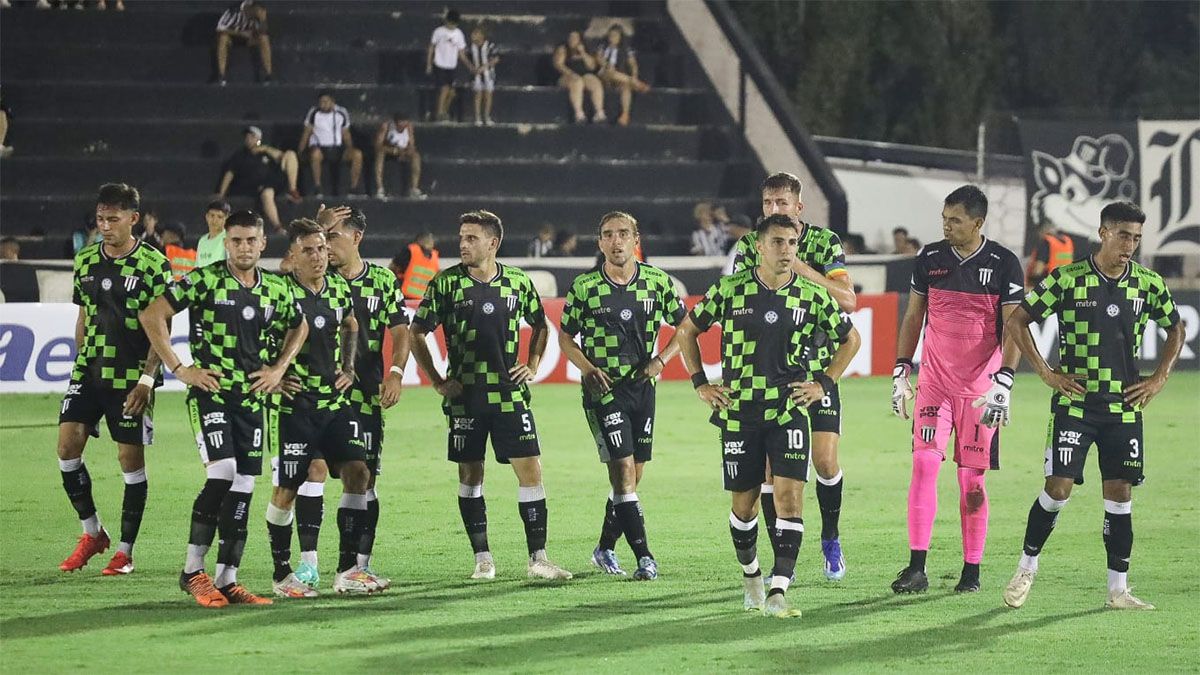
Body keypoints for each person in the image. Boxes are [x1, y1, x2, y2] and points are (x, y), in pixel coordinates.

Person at [672, 214, 861, 618]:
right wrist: (700, 383)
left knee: (790, 499)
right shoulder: (730, 290)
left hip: (788, 411)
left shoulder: (812, 296)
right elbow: (687, 330)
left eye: (792, 243)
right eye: (778, 242)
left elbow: (851, 339)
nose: (787, 250)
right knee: (745, 506)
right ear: (758, 246)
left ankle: (779, 589)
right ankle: (752, 575)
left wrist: (824, 384)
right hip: (739, 414)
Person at [1001, 201, 1185, 611]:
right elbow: (1016, 320)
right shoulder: (1067, 279)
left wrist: (1159, 378)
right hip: (1076, 405)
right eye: (1123, 235)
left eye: (1136, 238)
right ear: (1103, 233)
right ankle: (1026, 566)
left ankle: (1117, 589)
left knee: (1120, 496)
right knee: (1058, 488)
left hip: (1123, 408)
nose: (1130, 245)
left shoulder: (1148, 284)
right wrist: (1047, 373)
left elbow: (1176, 327)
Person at [139, 209, 309, 608]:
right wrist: (181, 368)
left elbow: (299, 326)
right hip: (212, 392)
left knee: (245, 486)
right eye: (236, 241)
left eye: (251, 240)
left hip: (251, 398)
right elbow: (152, 314)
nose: (244, 247)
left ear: (263, 243)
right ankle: (192, 571)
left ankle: (228, 579)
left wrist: (278, 369)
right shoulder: (203, 279)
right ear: (225, 243)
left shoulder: (278, 289)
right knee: (223, 474)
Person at [409, 210, 572, 581]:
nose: (462, 244)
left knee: (531, 470)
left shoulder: (516, 281)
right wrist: (436, 379)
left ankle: (538, 559)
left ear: (493, 243)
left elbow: (540, 324)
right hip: (465, 396)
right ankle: (482, 558)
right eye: (461, 237)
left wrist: (531, 362)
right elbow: (417, 332)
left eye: (471, 238)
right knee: (471, 474)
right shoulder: (446, 284)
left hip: (509, 394)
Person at [889, 185, 1025, 594]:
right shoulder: (929, 258)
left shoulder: (1004, 264)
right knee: (924, 465)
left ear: (978, 223)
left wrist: (1004, 380)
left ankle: (972, 572)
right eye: (944, 219)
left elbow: (1014, 329)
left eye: (956, 221)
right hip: (934, 384)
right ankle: (916, 568)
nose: (946, 226)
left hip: (979, 392)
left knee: (972, 482)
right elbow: (914, 317)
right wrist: (901, 369)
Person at [730, 172, 857, 581]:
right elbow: (734, 299)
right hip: (771, 376)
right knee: (772, 471)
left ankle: (831, 538)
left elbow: (847, 300)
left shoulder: (823, 243)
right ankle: (779, 560)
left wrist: (798, 265)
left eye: (783, 203)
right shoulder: (751, 246)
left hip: (818, 369)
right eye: (768, 203)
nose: (775, 210)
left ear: (798, 207)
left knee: (824, 460)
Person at [559, 211, 685, 580]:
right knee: (625, 474)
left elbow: (686, 327)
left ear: (636, 240)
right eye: (608, 235)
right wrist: (587, 368)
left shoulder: (657, 282)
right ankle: (645, 557)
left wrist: (661, 360)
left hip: (643, 390)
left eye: (623, 234)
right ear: (599, 243)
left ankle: (604, 548)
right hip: (604, 391)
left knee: (631, 479)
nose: (616, 241)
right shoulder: (585, 287)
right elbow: (566, 337)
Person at [265, 219, 386, 597]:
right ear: (292, 255)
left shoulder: (336, 287)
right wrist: (275, 374)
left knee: (358, 472)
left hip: (334, 403)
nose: (320, 256)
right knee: (292, 486)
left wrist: (348, 366)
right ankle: (288, 572)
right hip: (294, 407)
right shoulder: (278, 291)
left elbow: (351, 324)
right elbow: (252, 337)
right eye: (310, 250)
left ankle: (347, 570)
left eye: (322, 248)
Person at [55, 183, 171, 577]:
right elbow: (84, 316)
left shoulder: (154, 265)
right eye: (100, 219)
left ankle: (125, 551)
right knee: (67, 449)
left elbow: (162, 328)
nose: (105, 226)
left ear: (133, 219)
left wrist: (147, 379)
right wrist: (78, 361)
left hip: (131, 379)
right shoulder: (85, 260)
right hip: (89, 372)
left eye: (113, 219)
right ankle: (92, 533)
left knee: (129, 461)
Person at [293, 205, 411, 589]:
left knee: (363, 478)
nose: (324, 247)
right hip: (313, 396)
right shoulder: (309, 278)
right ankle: (307, 564)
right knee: (312, 470)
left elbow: (400, 330)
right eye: (321, 239)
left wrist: (395, 373)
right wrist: (318, 222)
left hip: (364, 398)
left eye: (333, 237)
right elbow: (285, 263)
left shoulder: (381, 281)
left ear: (357, 238)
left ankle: (357, 564)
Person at [217, 126, 301, 231]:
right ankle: (278, 227)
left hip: (276, 180)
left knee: (291, 154)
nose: (249, 139)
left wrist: (265, 149)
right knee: (267, 193)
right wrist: (221, 193)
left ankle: (293, 190)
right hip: (259, 186)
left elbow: (281, 156)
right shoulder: (240, 155)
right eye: (247, 137)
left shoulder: (266, 151)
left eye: (252, 137)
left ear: (258, 139)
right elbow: (229, 174)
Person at [298, 91, 364, 198]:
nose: (323, 104)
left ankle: (354, 188)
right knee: (315, 154)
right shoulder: (314, 112)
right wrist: (300, 150)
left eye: (325, 101)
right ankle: (318, 187)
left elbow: (346, 133)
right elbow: (307, 132)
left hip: (337, 148)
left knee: (357, 154)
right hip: (320, 147)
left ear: (332, 102)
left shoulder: (341, 112)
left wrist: (350, 148)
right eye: (321, 102)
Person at [595, 24, 650, 127]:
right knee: (609, 72)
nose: (612, 38)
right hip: (604, 75)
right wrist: (607, 65)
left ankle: (625, 114)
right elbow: (599, 59)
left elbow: (633, 64)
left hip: (619, 77)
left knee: (626, 87)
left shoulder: (626, 49)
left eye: (615, 35)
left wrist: (634, 75)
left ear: (620, 37)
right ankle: (637, 84)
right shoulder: (603, 47)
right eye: (610, 35)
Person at [213, 0, 272, 85]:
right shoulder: (233, 11)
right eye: (255, 12)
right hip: (233, 38)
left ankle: (269, 75)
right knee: (223, 38)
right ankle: (221, 75)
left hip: (249, 39)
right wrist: (240, 33)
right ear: (249, 9)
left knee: (264, 38)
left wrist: (263, 21)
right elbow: (219, 29)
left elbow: (264, 31)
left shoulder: (259, 15)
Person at [554, 30, 604, 124]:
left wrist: (583, 53)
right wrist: (571, 74)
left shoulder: (586, 50)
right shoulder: (563, 49)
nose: (572, 40)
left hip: (585, 75)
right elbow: (559, 65)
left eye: (575, 38)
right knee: (577, 81)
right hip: (567, 77)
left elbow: (592, 66)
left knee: (595, 82)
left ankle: (599, 113)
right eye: (570, 37)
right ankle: (579, 114)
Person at [426, 9, 467, 123]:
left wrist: (470, 66)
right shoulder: (438, 32)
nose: (452, 26)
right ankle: (439, 112)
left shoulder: (459, 34)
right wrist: (429, 64)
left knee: (452, 92)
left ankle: (444, 111)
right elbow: (431, 48)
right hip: (440, 64)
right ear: (446, 21)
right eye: (450, 23)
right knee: (444, 88)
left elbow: (461, 52)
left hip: (451, 66)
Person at [373, 112, 424, 199]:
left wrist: (407, 151)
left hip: (403, 151)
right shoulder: (386, 126)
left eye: (405, 122)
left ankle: (414, 188)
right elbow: (377, 145)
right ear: (395, 122)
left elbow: (412, 145)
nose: (402, 126)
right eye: (400, 123)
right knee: (380, 154)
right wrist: (393, 150)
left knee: (416, 156)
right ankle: (379, 188)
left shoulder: (409, 127)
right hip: (388, 150)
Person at [389, 231, 440, 301]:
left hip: (409, 298)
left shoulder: (411, 251)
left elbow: (393, 268)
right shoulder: (433, 257)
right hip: (416, 300)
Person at [467, 25, 500, 126]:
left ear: (481, 35)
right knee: (478, 95)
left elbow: (496, 59)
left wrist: (484, 67)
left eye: (475, 33)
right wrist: (472, 68)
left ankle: (487, 116)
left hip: (488, 74)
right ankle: (477, 117)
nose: (473, 35)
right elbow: (467, 59)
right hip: (476, 75)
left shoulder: (490, 45)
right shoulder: (471, 47)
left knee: (488, 95)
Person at [1026, 220, 1075, 287]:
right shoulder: (1067, 242)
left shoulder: (1047, 242)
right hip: (1065, 284)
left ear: (1042, 231)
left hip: (1048, 286)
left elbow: (1038, 270)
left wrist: (1030, 283)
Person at [196, 200, 231, 268]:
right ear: (207, 217)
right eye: (212, 216)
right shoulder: (202, 240)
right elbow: (197, 267)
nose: (215, 220)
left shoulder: (228, 238)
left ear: (227, 218)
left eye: (219, 217)